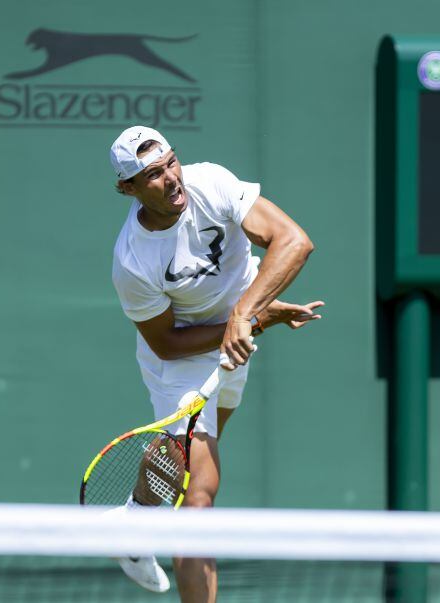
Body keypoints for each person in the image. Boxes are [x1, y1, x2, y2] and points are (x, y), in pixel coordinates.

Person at [108, 125, 321, 602]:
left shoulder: (211, 183)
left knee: (184, 451)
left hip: (236, 334)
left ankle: (134, 520)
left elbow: (293, 241)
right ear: (129, 189)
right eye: (152, 176)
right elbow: (165, 342)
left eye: (170, 164)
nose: (171, 179)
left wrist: (248, 315)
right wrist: (253, 319)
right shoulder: (133, 262)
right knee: (199, 492)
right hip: (180, 358)